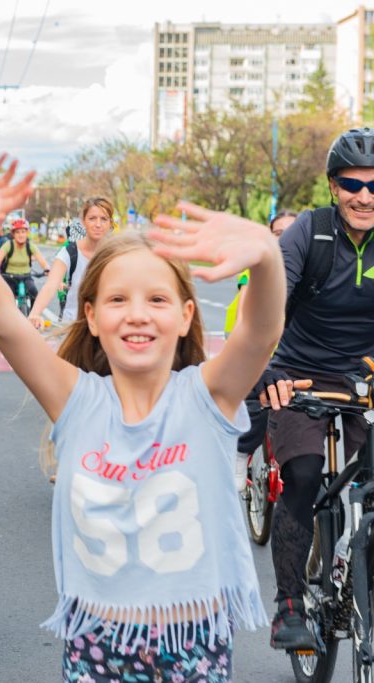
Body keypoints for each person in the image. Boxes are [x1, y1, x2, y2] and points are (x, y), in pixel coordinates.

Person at [0, 157, 280, 681]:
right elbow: (5, 323)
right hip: (96, 644)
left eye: (158, 299)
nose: (138, 313)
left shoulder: (208, 397)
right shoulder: (77, 399)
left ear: (187, 315)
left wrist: (266, 254)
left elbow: (261, 333)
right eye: (118, 299)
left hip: (194, 642)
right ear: (93, 317)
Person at [254, 128, 374, 651]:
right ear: (333, 186)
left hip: (365, 376)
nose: (365, 196)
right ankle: (288, 605)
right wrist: (266, 371)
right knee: (302, 475)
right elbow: (267, 305)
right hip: (298, 373)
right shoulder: (310, 232)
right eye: (352, 184)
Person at [226, 209, 298, 492]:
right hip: (252, 348)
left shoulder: (311, 266)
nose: (286, 240)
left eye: (292, 233)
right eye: (279, 234)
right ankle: (241, 452)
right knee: (259, 399)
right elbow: (245, 317)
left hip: (294, 356)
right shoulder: (257, 268)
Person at [28, 198, 114, 327]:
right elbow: (51, 285)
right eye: (92, 218)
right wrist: (35, 313)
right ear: (83, 222)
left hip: (106, 325)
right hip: (73, 325)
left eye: (104, 219)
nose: (98, 224)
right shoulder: (69, 252)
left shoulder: (115, 254)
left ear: (110, 223)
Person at [0, 218, 49, 300]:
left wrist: (47, 269)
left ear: (27, 233)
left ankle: (33, 313)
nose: (20, 235)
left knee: (34, 294)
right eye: (17, 232)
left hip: (26, 277)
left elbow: (41, 260)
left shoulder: (30, 245)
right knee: (5, 298)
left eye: (23, 232)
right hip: (9, 277)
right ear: (13, 234)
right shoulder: (8, 245)